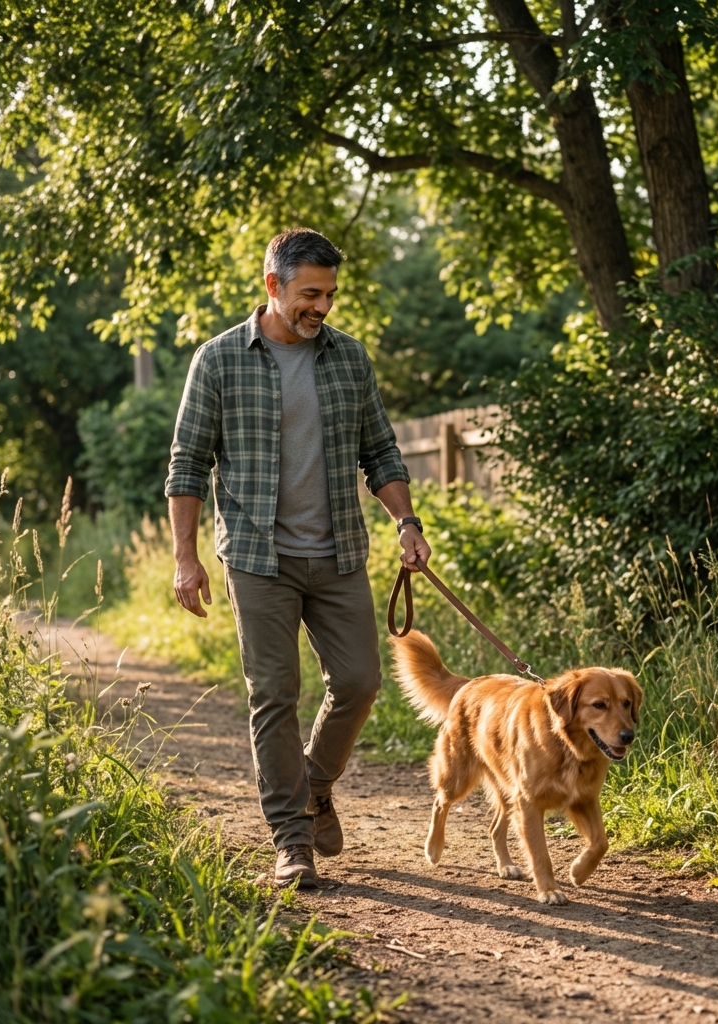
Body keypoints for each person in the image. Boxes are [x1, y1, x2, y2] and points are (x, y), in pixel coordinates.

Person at [165, 227, 431, 888]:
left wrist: (406, 522)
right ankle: (291, 842)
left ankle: (313, 785)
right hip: (258, 560)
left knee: (361, 683)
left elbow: (383, 453)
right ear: (273, 286)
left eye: (330, 295)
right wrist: (185, 558)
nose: (322, 306)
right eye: (310, 293)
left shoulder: (349, 358)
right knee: (274, 695)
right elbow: (186, 466)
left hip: (339, 550)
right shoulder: (219, 360)